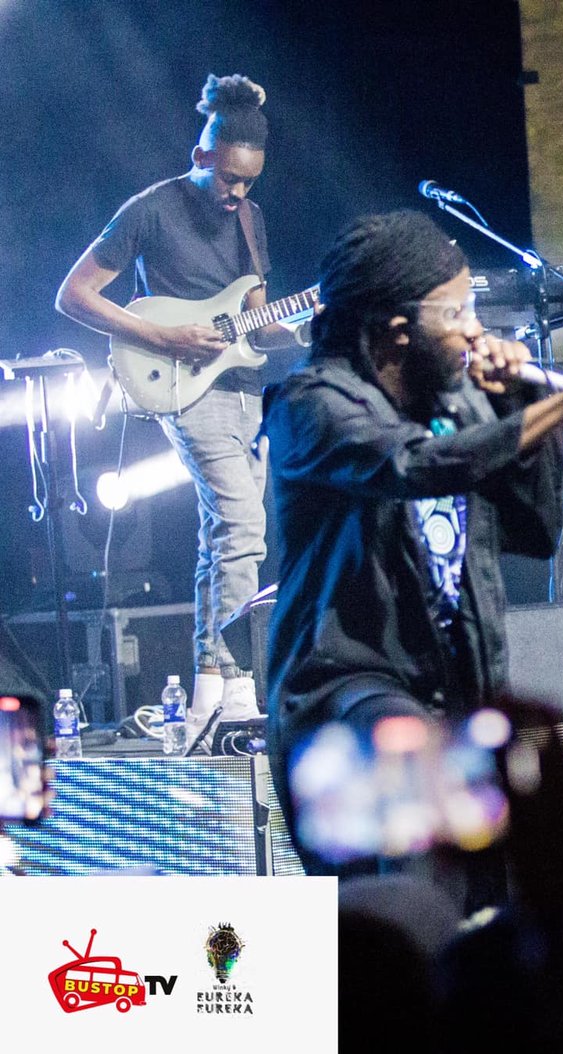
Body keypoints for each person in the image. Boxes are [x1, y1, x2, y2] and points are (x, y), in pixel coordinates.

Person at [262, 210, 563, 863]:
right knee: (412, 870)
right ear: (397, 331)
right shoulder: (309, 406)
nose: (476, 328)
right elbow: (413, 467)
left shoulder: (457, 400)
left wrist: (515, 401)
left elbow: (535, 530)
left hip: (454, 694)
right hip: (349, 696)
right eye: (456, 313)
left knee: (492, 885)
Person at [56, 74, 305, 727]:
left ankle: (208, 688)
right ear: (201, 156)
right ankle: (240, 677)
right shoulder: (151, 209)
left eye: (249, 182)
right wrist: (163, 336)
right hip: (183, 387)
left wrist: (305, 322)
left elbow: (257, 320)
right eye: (229, 178)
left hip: (244, 389)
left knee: (224, 534)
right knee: (243, 527)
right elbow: (74, 294)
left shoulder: (250, 219)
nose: (237, 192)